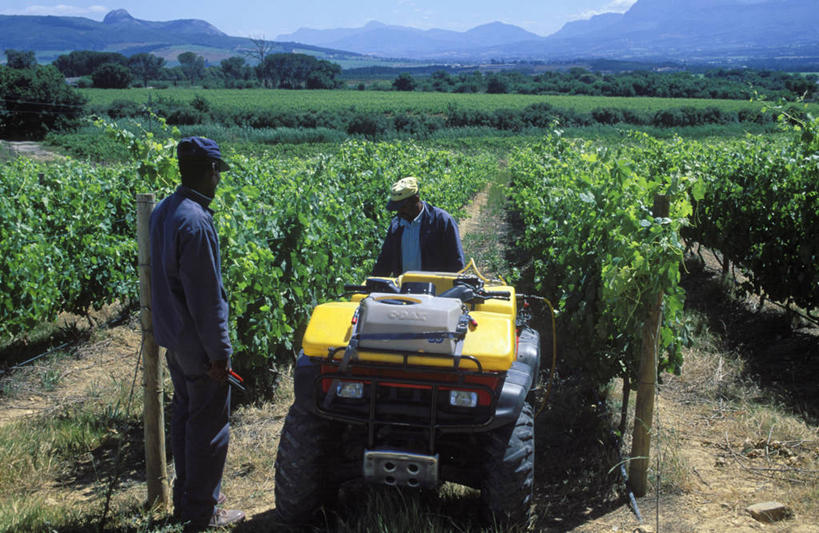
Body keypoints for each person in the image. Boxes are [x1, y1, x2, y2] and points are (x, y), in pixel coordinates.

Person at [150, 136, 245, 530]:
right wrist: (220, 354)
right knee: (209, 427)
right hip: (198, 345)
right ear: (209, 172)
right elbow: (206, 298)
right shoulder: (196, 220)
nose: (218, 181)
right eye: (217, 173)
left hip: (174, 339)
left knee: (187, 417)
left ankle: (187, 500)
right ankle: (203, 511)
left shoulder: (162, 211)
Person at [372, 176, 465, 277]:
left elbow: (457, 263)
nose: (400, 212)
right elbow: (385, 262)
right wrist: (374, 284)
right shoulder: (396, 226)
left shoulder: (442, 221)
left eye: (403, 207)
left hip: (436, 290)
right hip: (403, 290)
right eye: (397, 208)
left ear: (416, 199)